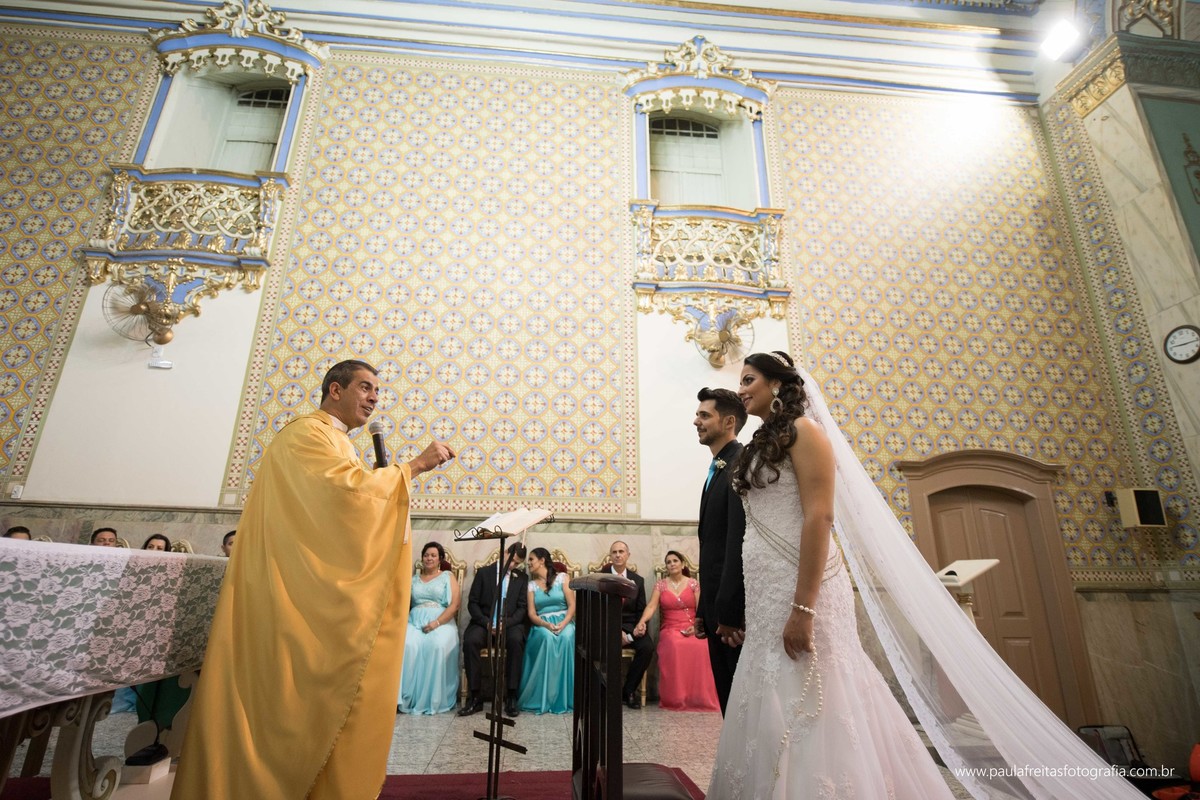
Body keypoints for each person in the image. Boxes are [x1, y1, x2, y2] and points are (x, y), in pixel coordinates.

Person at [170, 359, 455, 800]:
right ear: (334, 390)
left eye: (377, 390)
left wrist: (391, 482)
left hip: (307, 592)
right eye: (365, 387)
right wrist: (412, 467)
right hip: (286, 595)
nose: (374, 397)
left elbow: (351, 507)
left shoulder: (339, 442)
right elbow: (347, 495)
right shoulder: (307, 434)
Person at [708, 351, 955, 798]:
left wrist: (804, 608)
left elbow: (819, 517)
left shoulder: (807, 432)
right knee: (769, 688)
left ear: (777, 385)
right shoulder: (763, 441)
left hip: (802, 588)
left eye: (749, 379)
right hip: (765, 594)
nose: (741, 389)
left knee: (816, 690)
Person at [693, 386, 747, 714]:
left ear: (728, 422)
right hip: (715, 608)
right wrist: (703, 608)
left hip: (731, 617)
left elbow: (736, 544)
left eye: (704, 415)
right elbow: (709, 547)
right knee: (727, 697)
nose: (695, 421)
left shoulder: (739, 465)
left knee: (737, 699)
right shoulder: (719, 466)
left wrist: (727, 613)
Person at [633, 551, 718, 711]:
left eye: (675, 561)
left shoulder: (693, 584)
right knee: (674, 644)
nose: (671, 564)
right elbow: (651, 606)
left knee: (701, 646)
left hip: (692, 626)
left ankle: (699, 698)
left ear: (683, 564)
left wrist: (696, 626)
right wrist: (642, 622)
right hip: (670, 628)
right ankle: (676, 698)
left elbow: (702, 607)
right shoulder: (661, 585)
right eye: (668, 562)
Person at [460, 542, 528, 718]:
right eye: (511, 560)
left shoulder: (521, 578)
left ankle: (511, 695)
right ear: (505, 552)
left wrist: (507, 623)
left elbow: (522, 607)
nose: (513, 565)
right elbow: (472, 602)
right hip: (484, 621)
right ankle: (475, 697)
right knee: (471, 641)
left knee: (516, 640)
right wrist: (486, 622)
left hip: (509, 624)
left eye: (517, 563)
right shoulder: (484, 573)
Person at [397, 541, 461, 715]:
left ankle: (432, 699)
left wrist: (437, 622)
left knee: (436, 646)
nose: (429, 558)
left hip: (442, 621)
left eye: (433, 555)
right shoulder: (413, 580)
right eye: (426, 555)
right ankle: (406, 698)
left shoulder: (448, 576)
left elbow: (455, 604)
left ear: (440, 559)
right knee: (408, 645)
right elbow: (403, 604)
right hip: (415, 621)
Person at [517, 547, 575, 714]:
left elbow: (572, 605)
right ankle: (542, 696)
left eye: (531, 559)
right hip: (541, 624)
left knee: (567, 637)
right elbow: (531, 614)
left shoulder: (563, 578)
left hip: (565, 621)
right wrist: (546, 625)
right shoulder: (531, 586)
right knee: (547, 639)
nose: (528, 563)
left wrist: (564, 623)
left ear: (542, 560)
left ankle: (565, 697)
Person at [599, 540, 652, 709]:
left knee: (647, 647)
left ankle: (628, 690)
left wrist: (641, 626)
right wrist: (614, 631)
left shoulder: (638, 580)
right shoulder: (600, 577)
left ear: (628, 555)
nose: (618, 555)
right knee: (606, 646)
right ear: (610, 556)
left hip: (631, 626)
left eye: (621, 551)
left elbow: (641, 609)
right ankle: (607, 693)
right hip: (607, 627)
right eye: (614, 552)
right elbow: (598, 610)